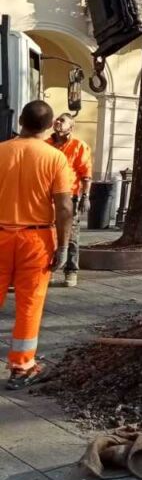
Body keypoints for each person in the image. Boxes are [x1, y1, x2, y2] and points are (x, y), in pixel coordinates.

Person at [0, 100, 73, 389]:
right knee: (30, 303)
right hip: (36, 238)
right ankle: (21, 366)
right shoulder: (55, 158)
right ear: (49, 125)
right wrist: (64, 245)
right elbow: (64, 206)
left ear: (20, 121)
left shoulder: (1, 151)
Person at [47, 112, 92, 288]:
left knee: (71, 235)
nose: (58, 122)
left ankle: (71, 271)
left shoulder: (79, 146)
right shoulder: (46, 145)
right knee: (49, 234)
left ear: (71, 127)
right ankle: (49, 271)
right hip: (48, 197)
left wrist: (85, 196)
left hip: (69, 197)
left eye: (62, 120)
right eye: (57, 119)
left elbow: (86, 174)